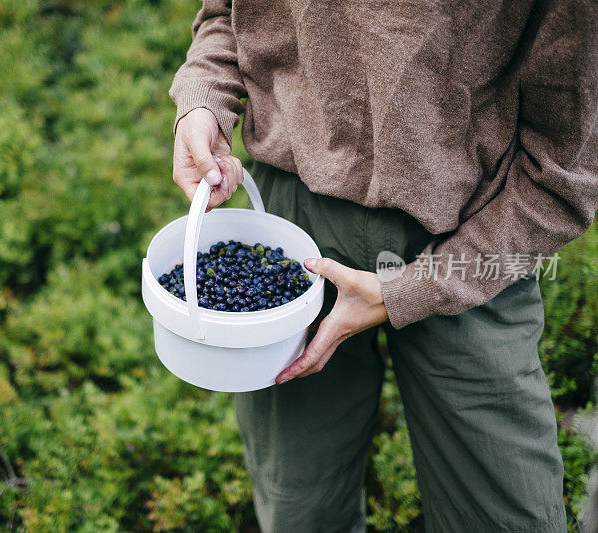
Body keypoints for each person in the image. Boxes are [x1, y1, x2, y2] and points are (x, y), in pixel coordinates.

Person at [168, 1, 598, 532]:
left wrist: (416, 289)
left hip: (474, 237)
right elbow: (225, 15)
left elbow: (563, 171)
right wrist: (204, 100)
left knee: (505, 510)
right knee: (300, 505)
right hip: (295, 221)